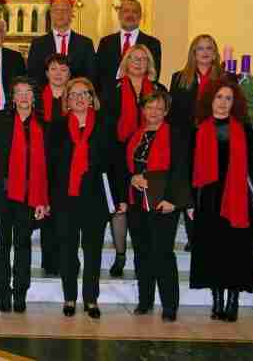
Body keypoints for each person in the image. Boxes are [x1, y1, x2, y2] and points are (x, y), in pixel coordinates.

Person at [188, 79, 253, 322]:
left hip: (238, 198)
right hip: (208, 199)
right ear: (210, 100)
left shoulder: (243, 129)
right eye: (219, 97)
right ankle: (217, 301)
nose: (223, 102)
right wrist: (189, 202)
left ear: (235, 103)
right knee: (213, 251)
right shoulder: (198, 129)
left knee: (236, 251)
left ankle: (233, 301)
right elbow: (188, 168)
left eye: (228, 98)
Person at [47, 77, 120, 318]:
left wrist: (120, 197)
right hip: (64, 198)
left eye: (84, 93)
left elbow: (115, 164)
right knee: (67, 250)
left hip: (95, 198)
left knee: (93, 251)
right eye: (74, 94)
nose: (79, 98)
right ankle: (69, 297)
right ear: (67, 100)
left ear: (92, 99)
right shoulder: (56, 127)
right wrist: (46, 198)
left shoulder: (105, 125)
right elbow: (49, 166)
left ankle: (91, 299)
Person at [0, 77, 48, 313]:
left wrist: (43, 199)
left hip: (30, 195)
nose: (23, 97)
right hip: (2, 192)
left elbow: (47, 167)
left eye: (28, 92)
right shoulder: (0, 121)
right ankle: (3, 290)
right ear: (12, 97)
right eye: (19, 92)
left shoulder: (43, 124)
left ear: (34, 96)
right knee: (1, 245)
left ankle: (20, 292)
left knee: (23, 245)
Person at [102, 44, 166, 278]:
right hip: (118, 154)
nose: (139, 63)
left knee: (145, 208)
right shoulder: (112, 88)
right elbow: (106, 123)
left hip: (151, 154)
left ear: (150, 64)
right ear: (126, 62)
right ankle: (120, 255)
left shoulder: (159, 89)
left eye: (143, 59)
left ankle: (147, 256)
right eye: (134, 58)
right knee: (120, 206)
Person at [124, 90, 189, 322]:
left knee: (162, 254)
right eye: (149, 107)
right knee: (141, 253)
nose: (153, 112)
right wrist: (132, 178)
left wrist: (173, 199)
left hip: (163, 203)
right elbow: (127, 167)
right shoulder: (135, 134)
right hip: (137, 203)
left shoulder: (176, 135)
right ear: (143, 110)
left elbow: (181, 169)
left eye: (159, 108)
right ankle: (145, 301)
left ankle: (170, 306)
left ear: (166, 111)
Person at [170, 34, 225, 250]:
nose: (205, 52)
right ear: (193, 53)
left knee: (213, 190)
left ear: (215, 53)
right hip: (188, 143)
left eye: (209, 48)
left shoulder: (226, 78)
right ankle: (194, 238)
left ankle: (211, 234)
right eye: (200, 48)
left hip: (216, 141)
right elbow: (173, 115)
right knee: (191, 191)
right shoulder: (179, 78)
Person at [35, 53, 71, 276]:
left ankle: (66, 259)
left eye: (63, 70)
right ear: (47, 73)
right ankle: (49, 260)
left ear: (70, 74)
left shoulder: (75, 98)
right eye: (54, 69)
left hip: (68, 164)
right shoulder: (37, 99)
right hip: (42, 162)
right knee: (46, 211)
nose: (58, 74)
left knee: (64, 213)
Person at [95, 0, 162, 93]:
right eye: (126, 11)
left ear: (140, 16)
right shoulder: (106, 42)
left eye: (134, 12)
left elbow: (154, 74)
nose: (130, 15)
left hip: (141, 96)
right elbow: (98, 73)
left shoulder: (153, 43)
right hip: (110, 95)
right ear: (119, 15)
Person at [27, 0, 96, 86]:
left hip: (76, 93)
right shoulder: (38, 44)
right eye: (56, 10)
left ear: (72, 14)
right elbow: (33, 76)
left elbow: (91, 76)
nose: (60, 14)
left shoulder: (85, 44)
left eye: (65, 10)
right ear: (51, 14)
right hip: (46, 93)